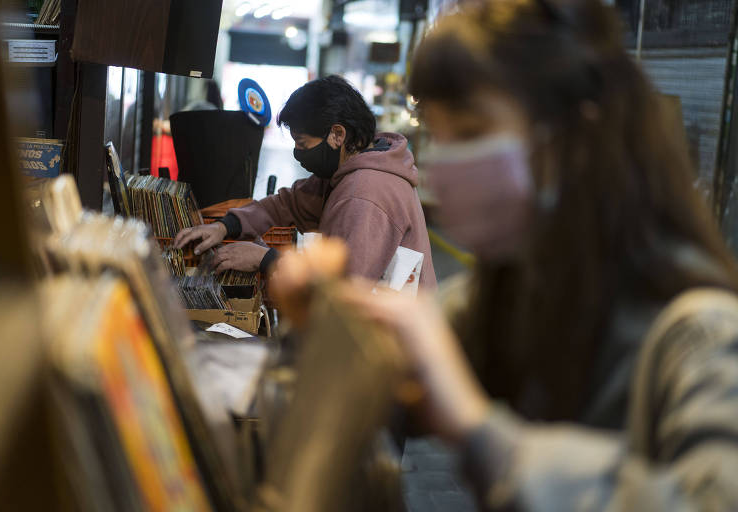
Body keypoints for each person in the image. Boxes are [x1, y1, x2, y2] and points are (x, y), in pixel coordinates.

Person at [270, 0, 738, 509]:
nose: (445, 164)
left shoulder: (700, 333)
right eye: (440, 137)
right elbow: (373, 386)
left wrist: (478, 429)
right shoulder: (502, 294)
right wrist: (329, 325)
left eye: (472, 134)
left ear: (570, 138)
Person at [173, 75, 436, 289]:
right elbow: (286, 204)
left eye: (303, 143)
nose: (298, 153)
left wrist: (266, 259)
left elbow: (343, 290)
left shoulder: (365, 194)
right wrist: (225, 226)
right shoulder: (349, 172)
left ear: (337, 134)